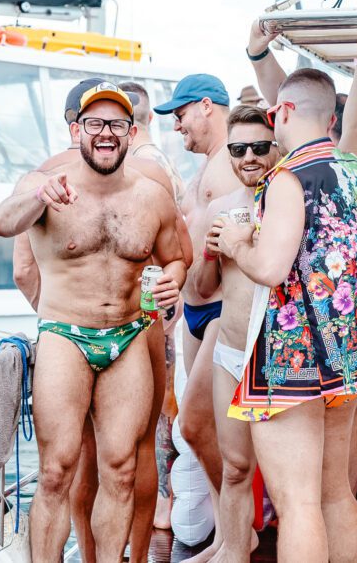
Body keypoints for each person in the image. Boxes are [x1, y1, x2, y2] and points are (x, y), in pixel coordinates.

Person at [212, 22, 357, 562]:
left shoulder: (286, 178)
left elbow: (272, 267)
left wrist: (235, 242)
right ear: (332, 119)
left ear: (279, 115)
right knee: (333, 495)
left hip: (295, 357)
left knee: (297, 504)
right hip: (352, 354)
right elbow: (348, 111)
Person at [0, 82, 187, 562]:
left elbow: (177, 256)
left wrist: (173, 281)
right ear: (77, 129)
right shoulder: (44, 184)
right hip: (64, 335)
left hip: (126, 337)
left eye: (116, 124)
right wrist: (39, 195)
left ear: (131, 131)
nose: (106, 133)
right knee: (57, 470)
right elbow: (3, 221)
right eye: (95, 123)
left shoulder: (152, 196)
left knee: (121, 468)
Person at [153, 74, 242, 559]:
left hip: (222, 308)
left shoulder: (234, 162)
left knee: (196, 425)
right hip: (191, 309)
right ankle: (230, 534)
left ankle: (237, 534)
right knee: (200, 424)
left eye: (181, 115)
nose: (177, 127)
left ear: (206, 106)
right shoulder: (204, 169)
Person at [194, 105, 280, 562]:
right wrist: (209, 254)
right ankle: (234, 552)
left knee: (288, 481)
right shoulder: (219, 208)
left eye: (259, 147)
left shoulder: (290, 205)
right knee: (234, 469)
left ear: (276, 146)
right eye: (238, 148)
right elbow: (201, 291)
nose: (249, 157)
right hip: (229, 352)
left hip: (278, 357)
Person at [120, 80, 183, 531]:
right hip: (162, 306)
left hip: (147, 311)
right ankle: (164, 502)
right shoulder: (160, 161)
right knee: (161, 411)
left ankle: (161, 504)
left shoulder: (143, 165)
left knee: (152, 417)